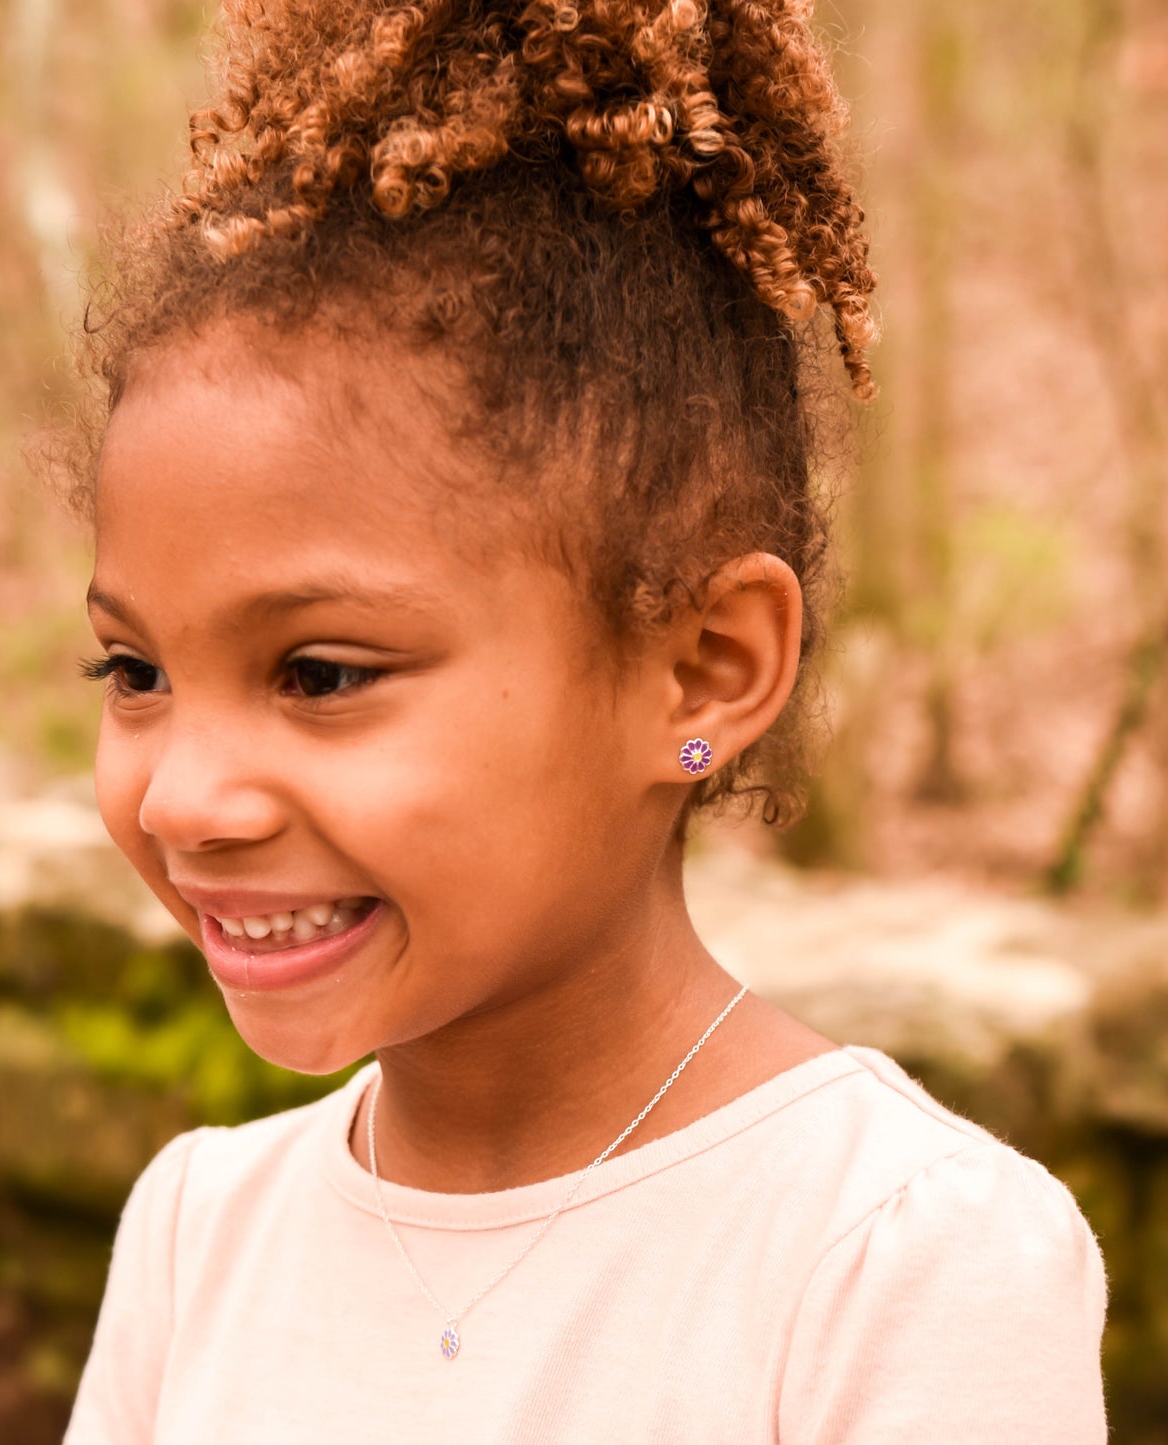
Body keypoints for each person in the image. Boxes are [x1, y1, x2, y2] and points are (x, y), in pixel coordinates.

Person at [60, 1, 1107, 1439]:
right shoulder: (196, 1237)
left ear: (702, 671)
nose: (182, 798)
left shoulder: (893, 1258)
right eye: (135, 672)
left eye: (319, 674)